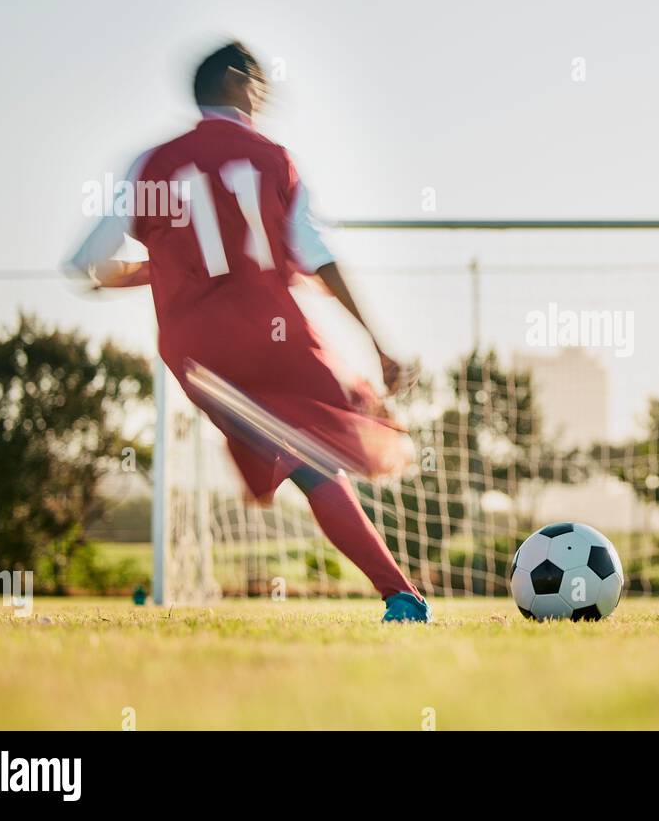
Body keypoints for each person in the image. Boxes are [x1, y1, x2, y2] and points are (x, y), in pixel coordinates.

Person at [64, 41, 429, 622]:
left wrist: (143, 271)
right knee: (315, 462)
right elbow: (318, 257)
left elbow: (84, 263)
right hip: (276, 336)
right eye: (259, 82)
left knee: (303, 460)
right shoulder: (274, 158)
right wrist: (377, 344)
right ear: (236, 83)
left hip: (198, 356)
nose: (264, 95)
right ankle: (401, 597)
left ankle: (401, 594)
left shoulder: (151, 164)